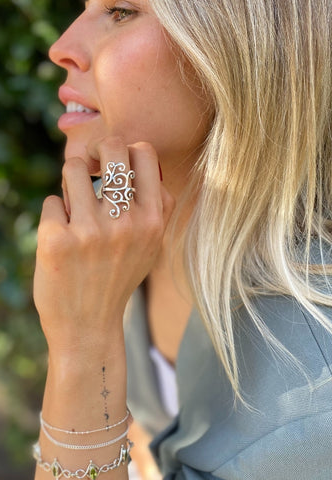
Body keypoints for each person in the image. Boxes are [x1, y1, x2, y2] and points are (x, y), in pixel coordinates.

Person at [32, 0, 332, 478]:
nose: (61, 48)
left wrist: (82, 343)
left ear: (241, 50)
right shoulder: (120, 240)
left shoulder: (312, 412)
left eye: (121, 11)